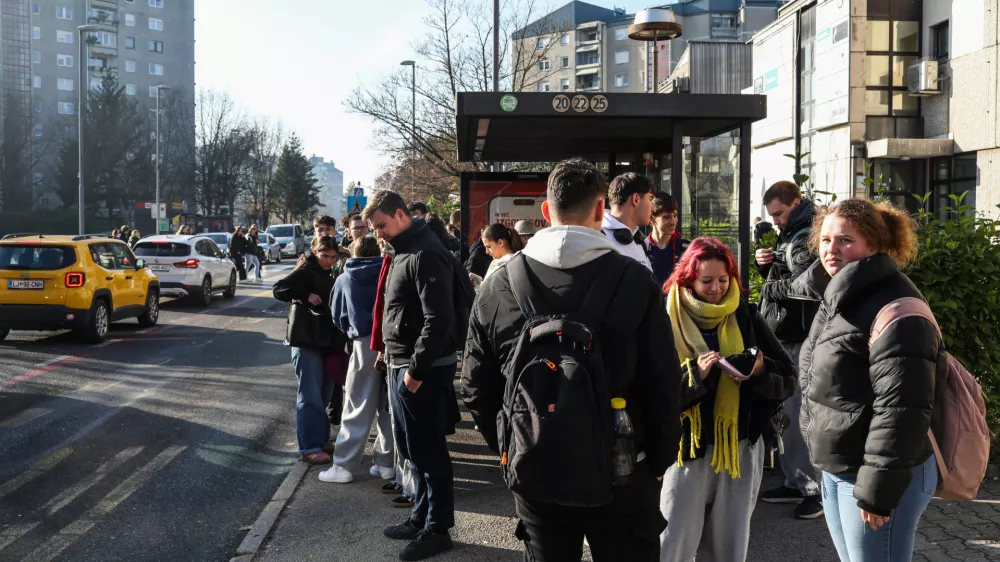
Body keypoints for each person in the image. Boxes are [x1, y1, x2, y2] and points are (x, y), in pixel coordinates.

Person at [462, 157, 681, 562]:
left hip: (535, 463)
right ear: (601, 209)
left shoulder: (498, 284)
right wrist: (660, 460)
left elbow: (476, 385)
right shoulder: (635, 279)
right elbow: (662, 380)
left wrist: (511, 444)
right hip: (625, 467)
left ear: (546, 211)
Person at [790, 198, 940, 562]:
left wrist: (877, 488)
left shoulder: (894, 306)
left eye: (845, 240)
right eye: (825, 240)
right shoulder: (839, 296)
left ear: (874, 244)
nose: (831, 250)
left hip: (873, 475)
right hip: (838, 468)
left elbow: (902, 407)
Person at [658, 237, 795, 562]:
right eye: (707, 281)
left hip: (740, 448)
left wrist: (760, 370)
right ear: (687, 278)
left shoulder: (745, 315)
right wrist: (694, 377)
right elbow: (649, 391)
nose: (717, 288)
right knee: (673, 542)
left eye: (724, 279)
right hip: (684, 450)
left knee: (729, 548)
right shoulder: (664, 319)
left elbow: (787, 380)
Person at [363, 190, 459, 561]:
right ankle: (421, 515)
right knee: (410, 448)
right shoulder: (405, 248)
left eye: (382, 226)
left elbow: (439, 318)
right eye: (375, 229)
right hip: (402, 363)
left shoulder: (425, 252)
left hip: (421, 369)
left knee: (428, 450)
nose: (379, 234)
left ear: (401, 215)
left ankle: (438, 529)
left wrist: (416, 369)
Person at [753, 181, 824, 519]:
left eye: (779, 213)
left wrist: (770, 282)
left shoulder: (809, 232)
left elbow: (804, 284)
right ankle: (796, 481)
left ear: (796, 203)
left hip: (797, 336)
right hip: (786, 333)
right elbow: (788, 275)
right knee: (786, 415)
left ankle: (814, 490)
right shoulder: (794, 230)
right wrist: (766, 265)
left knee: (798, 415)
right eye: (773, 216)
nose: (776, 220)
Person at [321, 236, 396, 484]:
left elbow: (337, 316)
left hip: (363, 343)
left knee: (356, 404)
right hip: (392, 343)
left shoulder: (344, 278)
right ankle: (386, 463)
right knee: (388, 406)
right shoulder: (390, 270)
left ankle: (344, 465)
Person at [272, 236, 343, 465]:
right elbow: (279, 288)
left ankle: (321, 441)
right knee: (310, 395)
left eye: (333, 256)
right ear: (315, 251)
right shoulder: (306, 268)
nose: (330, 260)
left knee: (323, 394)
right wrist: (305, 295)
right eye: (325, 255)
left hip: (325, 339)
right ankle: (309, 447)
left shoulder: (330, 271)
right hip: (306, 340)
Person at [601, 172, 654, 271]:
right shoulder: (598, 237)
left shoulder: (640, 241)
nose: (653, 207)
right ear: (636, 199)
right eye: (650, 199)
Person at [644, 192, 689, 286]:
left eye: (675, 215)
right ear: (651, 219)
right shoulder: (641, 248)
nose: (673, 221)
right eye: (667, 217)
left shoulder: (686, 249)